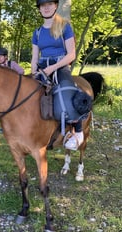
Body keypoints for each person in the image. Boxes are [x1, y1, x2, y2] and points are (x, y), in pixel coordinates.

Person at [31, 0, 83, 150]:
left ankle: (78, 131)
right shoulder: (37, 32)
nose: (46, 8)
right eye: (43, 5)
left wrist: (53, 67)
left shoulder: (65, 26)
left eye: (49, 4)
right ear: (39, 9)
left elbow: (71, 54)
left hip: (60, 65)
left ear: (55, 6)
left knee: (69, 92)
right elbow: (35, 58)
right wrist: (34, 73)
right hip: (42, 68)